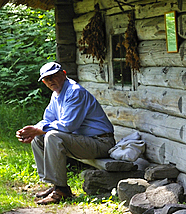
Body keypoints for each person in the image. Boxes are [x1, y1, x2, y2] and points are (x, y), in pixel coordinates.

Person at [16, 62, 116, 204]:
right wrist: (33, 131)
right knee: (39, 138)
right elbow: (48, 119)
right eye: (47, 79)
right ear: (44, 82)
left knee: (52, 136)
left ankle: (62, 190)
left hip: (101, 143)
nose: (51, 81)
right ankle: (56, 185)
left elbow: (68, 125)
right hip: (82, 141)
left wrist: (39, 130)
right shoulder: (56, 94)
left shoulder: (75, 92)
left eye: (54, 76)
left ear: (63, 74)